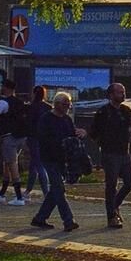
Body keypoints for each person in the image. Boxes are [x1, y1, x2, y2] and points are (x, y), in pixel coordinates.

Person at [89, 82, 131, 229]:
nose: (123, 95)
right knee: (111, 185)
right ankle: (111, 216)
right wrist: (103, 141)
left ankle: (115, 205)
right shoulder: (103, 112)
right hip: (110, 153)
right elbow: (94, 132)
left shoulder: (126, 110)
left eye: (123, 92)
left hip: (125, 152)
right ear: (111, 95)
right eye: (119, 92)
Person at [29, 92, 81, 232]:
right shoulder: (46, 119)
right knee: (59, 188)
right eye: (65, 104)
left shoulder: (67, 120)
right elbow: (43, 138)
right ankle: (68, 220)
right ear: (57, 104)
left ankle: (40, 218)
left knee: (54, 190)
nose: (67, 107)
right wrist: (59, 142)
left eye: (69, 105)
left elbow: (71, 135)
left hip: (62, 158)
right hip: (49, 158)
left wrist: (79, 135)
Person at [22, 85, 51, 202]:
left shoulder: (31, 107)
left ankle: (46, 193)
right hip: (45, 139)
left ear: (34, 93)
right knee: (34, 165)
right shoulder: (48, 107)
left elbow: (27, 123)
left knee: (38, 165)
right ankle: (28, 190)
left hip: (33, 138)